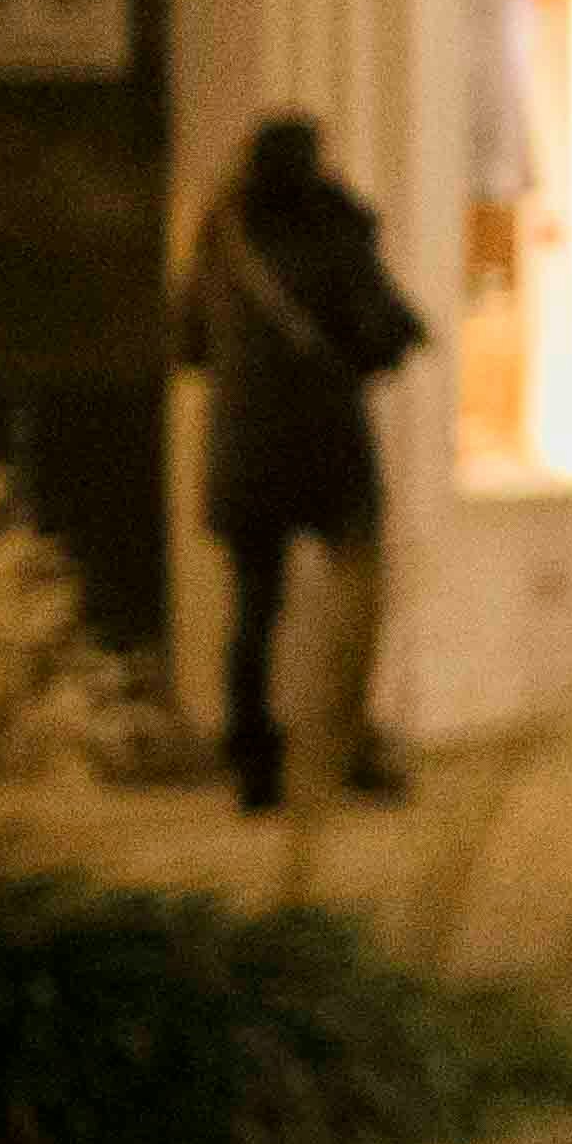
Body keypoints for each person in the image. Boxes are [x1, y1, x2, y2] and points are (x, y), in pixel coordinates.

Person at [173, 116, 429, 816]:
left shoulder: (221, 233)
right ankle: (341, 744)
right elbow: (377, 327)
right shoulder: (331, 225)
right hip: (326, 441)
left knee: (255, 602)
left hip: (243, 449)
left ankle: (253, 758)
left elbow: (188, 340)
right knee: (358, 582)